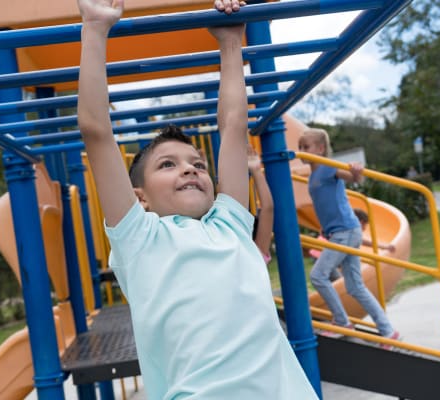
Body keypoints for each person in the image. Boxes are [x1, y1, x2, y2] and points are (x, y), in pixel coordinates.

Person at [75, 0, 318, 398]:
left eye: (198, 163)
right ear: (141, 198)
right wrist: (95, 29)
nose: (190, 169)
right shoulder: (140, 239)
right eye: (168, 164)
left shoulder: (230, 226)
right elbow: (96, 130)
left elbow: (233, 126)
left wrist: (229, 43)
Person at [298, 128, 400, 344]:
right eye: (300, 147)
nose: (301, 152)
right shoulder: (313, 174)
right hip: (342, 231)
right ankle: (388, 330)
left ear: (320, 149)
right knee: (355, 286)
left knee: (318, 275)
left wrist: (356, 172)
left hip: (344, 231)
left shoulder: (327, 168)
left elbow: (351, 177)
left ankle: (342, 321)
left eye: (306, 147)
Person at [308, 208, 396, 259]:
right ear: (360, 222)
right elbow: (366, 242)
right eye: (365, 225)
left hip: (319, 252)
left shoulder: (345, 225)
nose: (365, 229)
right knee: (340, 278)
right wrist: (385, 246)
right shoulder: (349, 229)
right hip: (322, 254)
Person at [248, 146, 274, 264]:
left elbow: (268, 208)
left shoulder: (254, 258)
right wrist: (256, 170)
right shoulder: (256, 258)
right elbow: (268, 208)